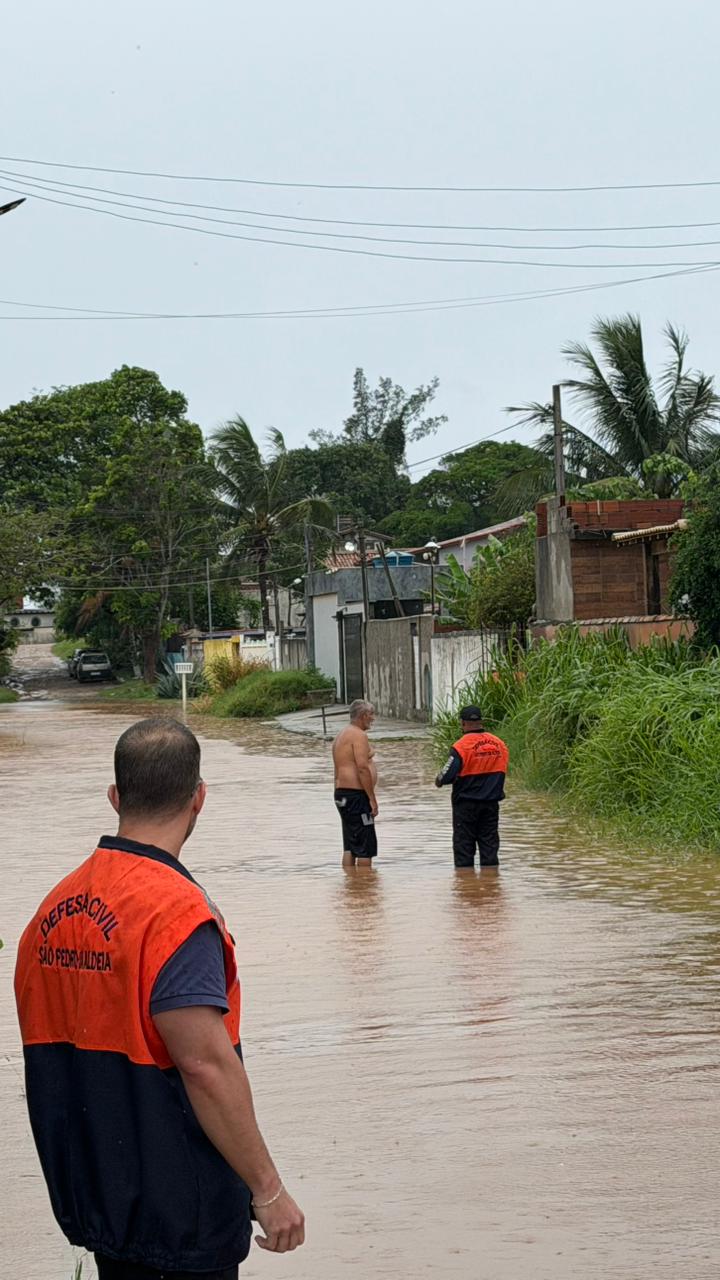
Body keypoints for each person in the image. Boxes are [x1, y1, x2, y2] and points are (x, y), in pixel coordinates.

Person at [14, 717, 305, 1280]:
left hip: (102, 1203)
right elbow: (204, 1064)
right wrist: (268, 1191)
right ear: (199, 798)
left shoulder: (51, 912)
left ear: (115, 797)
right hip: (180, 1214)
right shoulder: (175, 915)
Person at [435, 705, 509, 870]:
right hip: (491, 804)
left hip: (466, 806)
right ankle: (490, 885)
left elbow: (446, 776)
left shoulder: (461, 747)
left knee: (464, 850)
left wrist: (438, 781)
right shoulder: (499, 744)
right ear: (481, 721)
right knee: (490, 847)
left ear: (462, 723)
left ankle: (466, 888)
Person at [332, 699, 378, 867]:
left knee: (350, 846)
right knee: (365, 846)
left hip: (341, 795)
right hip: (356, 796)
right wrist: (372, 799)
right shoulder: (359, 735)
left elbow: (338, 769)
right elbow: (362, 769)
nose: (373, 718)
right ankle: (365, 889)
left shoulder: (341, 735)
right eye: (371, 714)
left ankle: (351, 884)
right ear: (364, 715)